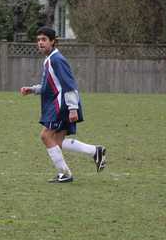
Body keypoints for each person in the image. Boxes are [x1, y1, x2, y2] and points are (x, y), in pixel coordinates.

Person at [19, 26, 106, 183]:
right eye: (38, 40)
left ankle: (65, 173)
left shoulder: (56, 60)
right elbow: (50, 86)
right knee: (57, 141)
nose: (40, 43)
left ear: (53, 41)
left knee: (46, 136)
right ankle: (95, 151)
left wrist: (72, 108)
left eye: (44, 40)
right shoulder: (50, 59)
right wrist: (32, 89)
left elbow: (69, 84)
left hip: (62, 105)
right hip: (60, 104)